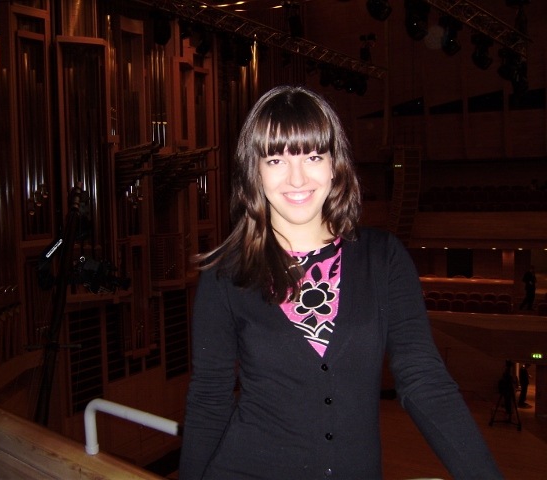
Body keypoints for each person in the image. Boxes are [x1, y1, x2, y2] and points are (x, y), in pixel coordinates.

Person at [178, 85, 502, 479]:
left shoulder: (383, 259)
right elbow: (209, 399)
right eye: (276, 159)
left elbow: (424, 379)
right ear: (255, 171)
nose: (297, 178)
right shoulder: (225, 274)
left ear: (335, 165)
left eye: (313, 156)